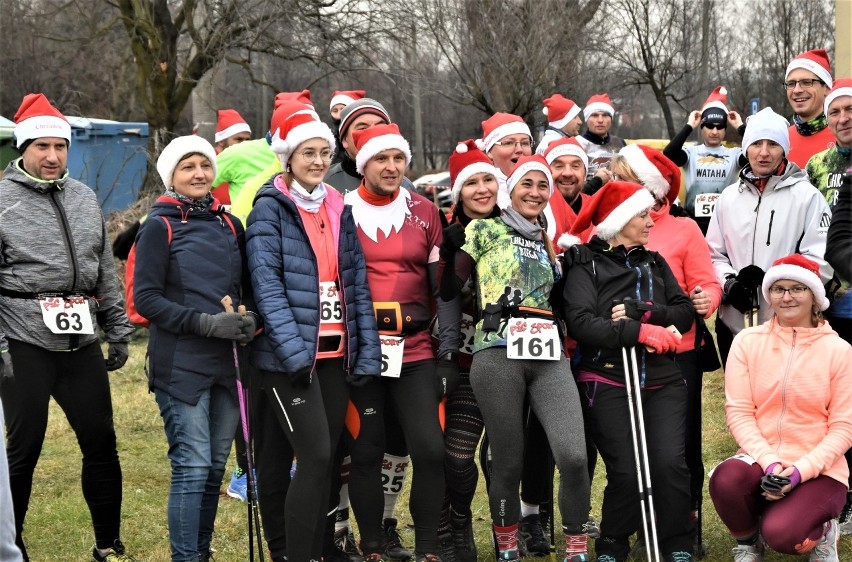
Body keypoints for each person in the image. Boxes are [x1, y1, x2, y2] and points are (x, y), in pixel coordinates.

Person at [0, 93, 135, 562]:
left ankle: (107, 544)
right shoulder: (0, 199)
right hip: (23, 339)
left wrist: (116, 330)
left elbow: (102, 272)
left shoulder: (84, 196)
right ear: (24, 149)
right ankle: (10, 548)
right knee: (24, 450)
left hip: (80, 340)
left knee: (101, 441)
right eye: (42, 146)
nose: (53, 156)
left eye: (60, 146)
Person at [245, 101, 381, 562]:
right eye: (309, 153)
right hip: (289, 361)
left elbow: (356, 282)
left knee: (327, 462)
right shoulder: (269, 209)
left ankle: (319, 549)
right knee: (317, 457)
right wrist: (293, 354)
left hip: (335, 356)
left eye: (325, 152)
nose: (320, 161)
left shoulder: (338, 205)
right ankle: (293, 554)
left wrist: (366, 353)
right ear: (288, 158)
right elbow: (266, 287)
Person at [442, 154, 592, 562]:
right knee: (507, 459)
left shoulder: (545, 238)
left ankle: (576, 545)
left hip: (547, 353)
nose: (536, 192)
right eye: (527, 184)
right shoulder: (485, 228)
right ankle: (507, 543)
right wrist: (445, 254)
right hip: (496, 353)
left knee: (574, 456)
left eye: (542, 186)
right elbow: (450, 286)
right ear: (511, 189)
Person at [133, 135, 256, 562]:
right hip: (180, 363)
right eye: (188, 167)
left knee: (214, 470)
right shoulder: (158, 225)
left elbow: (245, 288)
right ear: (172, 176)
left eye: (205, 165)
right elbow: (145, 299)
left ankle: (199, 554)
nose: (200, 174)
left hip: (229, 362)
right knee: (192, 466)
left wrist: (250, 319)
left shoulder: (229, 224)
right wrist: (204, 323)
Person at [561, 180, 696, 562]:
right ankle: (613, 541)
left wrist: (645, 314)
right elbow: (582, 322)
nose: (651, 220)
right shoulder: (584, 261)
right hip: (606, 376)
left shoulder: (654, 261)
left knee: (669, 461)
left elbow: (684, 312)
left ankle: (677, 542)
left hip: (661, 378)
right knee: (626, 467)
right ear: (619, 222)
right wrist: (637, 332)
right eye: (642, 214)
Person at [343, 123, 456, 562]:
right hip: (362, 352)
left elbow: (442, 290)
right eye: (380, 159)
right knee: (367, 450)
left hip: (415, 350)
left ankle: (427, 547)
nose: (391, 167)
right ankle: (372, 546)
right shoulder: (340, 208)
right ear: (362, 164)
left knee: (429, 450)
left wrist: (446, 353)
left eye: (398, 159)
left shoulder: (425, 210)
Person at [609, 144, 723, 554]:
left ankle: (683, 525)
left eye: (631, 180)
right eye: (618, 178)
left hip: (679, 352)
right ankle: (643, 525)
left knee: (680, 446)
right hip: (625, 351)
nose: (622, 187)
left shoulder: (683, 228)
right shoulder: (608, 228)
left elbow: (707, 282)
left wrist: (706, 297)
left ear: (653, 189)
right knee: (635, 443)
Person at [708, 254, 852, 562]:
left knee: (783, 535)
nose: (786, 297)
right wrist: (772, 465)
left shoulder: (839, 351)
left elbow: (844, 427)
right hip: (764, 458)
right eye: (778, 289)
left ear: (815, 296)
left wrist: (799, 473)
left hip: (820, 468)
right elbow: (740, 412)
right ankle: (748, 544)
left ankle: (825, 531)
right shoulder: (747, 342)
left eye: (797, 289)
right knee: (725, 479)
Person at [705, 107, 833, 367]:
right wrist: (730, 283)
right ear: (745, 148)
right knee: (740, 403)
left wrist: (778, 281)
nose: (763, 152)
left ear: (784, 149)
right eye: (756, 144)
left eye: (773, 144)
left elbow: (821, 259)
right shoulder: (728, 198)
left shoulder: (807, 197)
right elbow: (713, 254)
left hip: (788, 323)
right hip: (734, 323)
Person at [435, 139, 501, 562]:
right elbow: (436, 293)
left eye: (488, 179)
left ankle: (463, 522)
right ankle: (447, 528)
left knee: (464, 455)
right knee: (443, 456)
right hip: (445, 356)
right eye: (471, 182)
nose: (481, 189)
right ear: (458, 192)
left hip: (493, 360)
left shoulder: (515, 227)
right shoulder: (443, 230)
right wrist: (449, 250)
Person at [662, 86, 745, 234]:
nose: (714, 131)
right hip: (694, 222)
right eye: (709, 126)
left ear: (725, 130)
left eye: (719, 127)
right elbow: (668, 154)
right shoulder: (691, 153)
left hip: (725, 223)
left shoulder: (734, 154)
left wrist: (740, 127)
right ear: (702, 127)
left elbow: (757, 153)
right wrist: (689, 126)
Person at [784, 49, 834, 168]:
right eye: (791, 84)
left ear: (827, 88)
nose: (797, 90)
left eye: (806, 82)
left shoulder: (844, 137)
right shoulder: (781, 139)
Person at [574, 93, 623, 190]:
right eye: (595, 115)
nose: (600, 120)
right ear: (587, 119)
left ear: (611, 119)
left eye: (605, 115)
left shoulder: (620, 144)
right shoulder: (575, 145)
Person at [211, 108, 252, 204]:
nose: (244, 144)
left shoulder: (249, 162)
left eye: (247, 139)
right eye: (239, 139)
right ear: (221, 141)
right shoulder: (206, 163)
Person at [329, 90, 366, 165]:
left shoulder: (365, 135)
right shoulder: (329, 140)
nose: (339, 115)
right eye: (335, 110)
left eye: (343, 109)